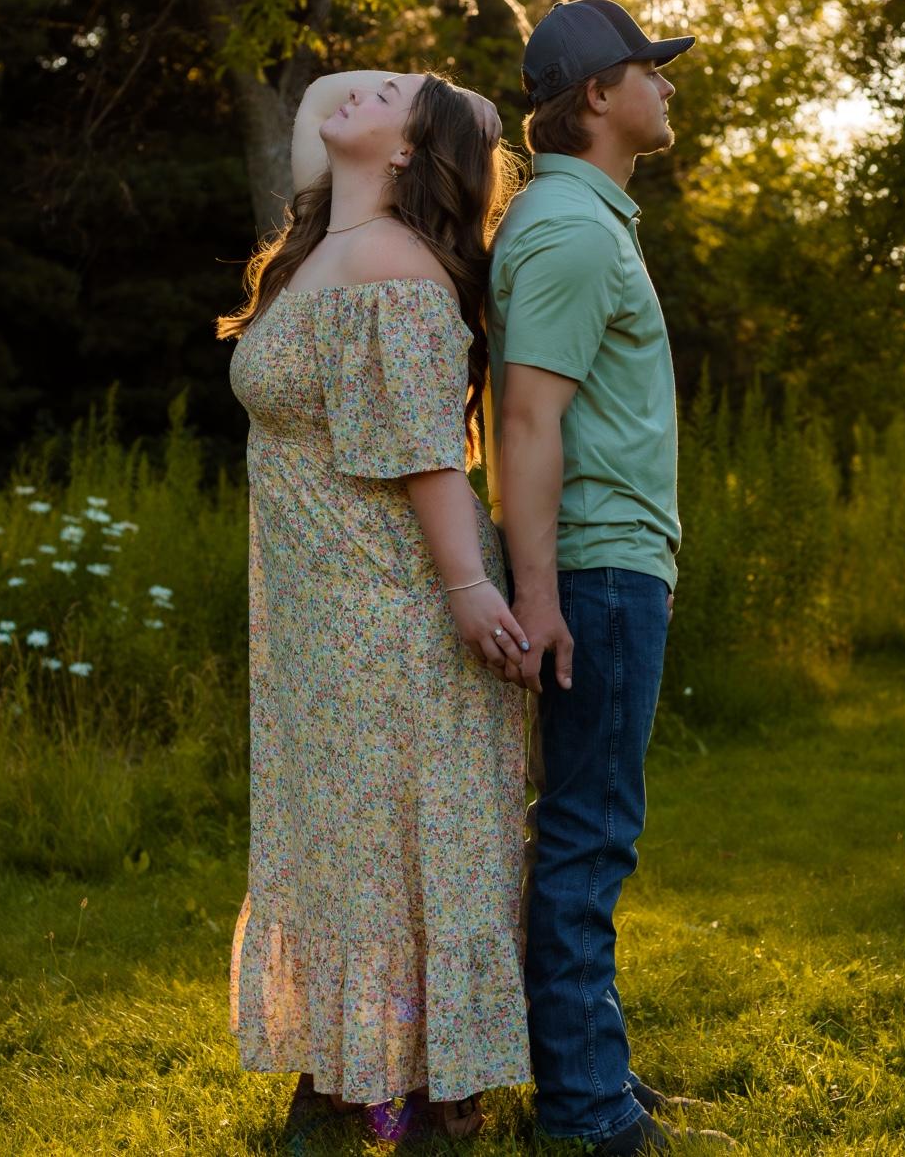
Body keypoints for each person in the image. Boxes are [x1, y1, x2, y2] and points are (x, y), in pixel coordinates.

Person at [218, 68, 533, 1140]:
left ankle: (439, 1092)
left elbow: (426, 455)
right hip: (325, 615)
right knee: (344, 842)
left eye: (392, 93)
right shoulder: (325, 238)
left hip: (394, 608)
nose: (362, 89)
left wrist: (467, 591)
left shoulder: (389, 264)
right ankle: (350, 1068)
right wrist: (422, 103)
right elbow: (320, 96)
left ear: (406, 153)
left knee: (404, 846)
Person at [487, 0, 726, 1154]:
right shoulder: (572, 232)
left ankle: (592, 1071)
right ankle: (584, 1110)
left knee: (588, 828)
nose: (666, 86)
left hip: (610, 564)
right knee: (587, 834)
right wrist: (539, 595)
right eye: (649, 70)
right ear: (595, 94)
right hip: (592, 570)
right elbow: (525, 420)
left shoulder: (584, 220)